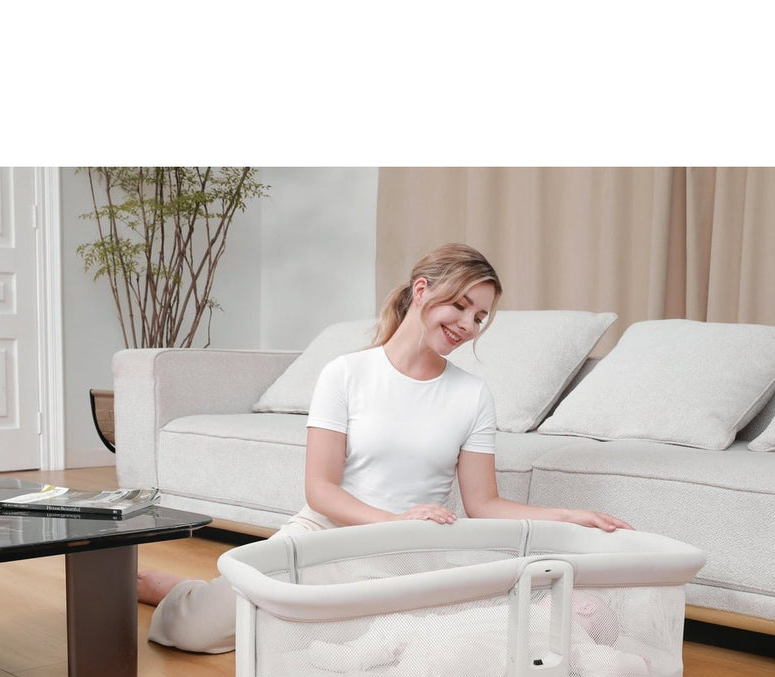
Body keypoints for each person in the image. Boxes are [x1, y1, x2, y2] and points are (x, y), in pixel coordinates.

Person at [137, 243, 632, 653]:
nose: (468, 324)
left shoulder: (472, 394)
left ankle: (246, 606)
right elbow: (320, 489)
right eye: (460, 306)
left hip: (407, 551)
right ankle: (173, 591)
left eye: (480, 316)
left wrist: (567, 516)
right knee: (194, 631)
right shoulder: (346, 373)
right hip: (327, 534)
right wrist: (393, 521)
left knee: (360, 641)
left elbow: (484, 503)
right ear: (422, 291)